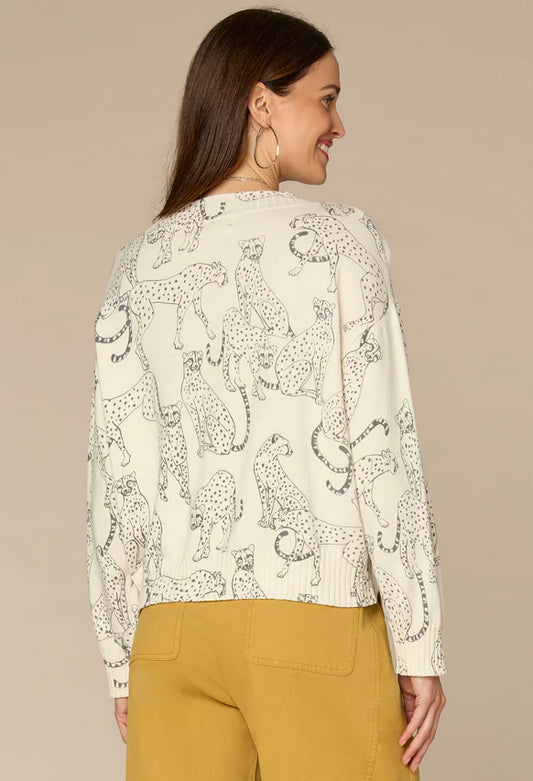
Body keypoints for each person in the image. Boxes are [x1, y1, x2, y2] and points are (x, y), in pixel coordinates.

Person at [85, 7, 447, 780]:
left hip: (171, 636)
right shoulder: (341, 240)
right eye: (326, 99)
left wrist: (122, 658)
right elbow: (380, 447)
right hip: (310, 623)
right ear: (260, 103)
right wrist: (417, 643)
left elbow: (118, 477)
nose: (338, 124)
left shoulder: (137, 263)